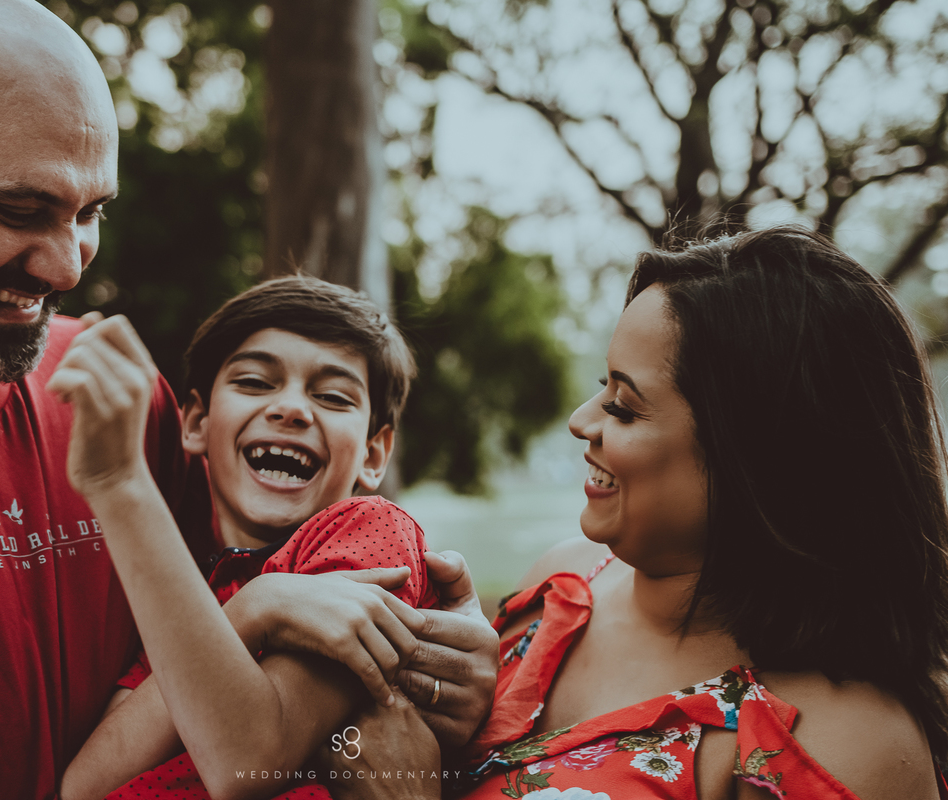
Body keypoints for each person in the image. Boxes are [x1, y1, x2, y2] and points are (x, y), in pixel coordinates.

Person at [0, 1, 496, 797]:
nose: (69, 268)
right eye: (20, 209)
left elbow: (255, 596)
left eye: (90, 213)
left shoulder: (118, 394)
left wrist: (448, 662)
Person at [317, 227, 948, 800]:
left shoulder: (840, 747)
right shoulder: (560, 589)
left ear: (754, 458)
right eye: (601, 386)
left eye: (622, 406)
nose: (580, 421)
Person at [51, 276, 457, 800]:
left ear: (374, 454)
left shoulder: (370, 529)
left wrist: (249, 608)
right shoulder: (190, 583)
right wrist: (251, 610)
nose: (291, 409)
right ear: (196, 421)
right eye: (254, 383)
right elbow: (84, 786)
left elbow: (250, 761)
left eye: (332, 396)